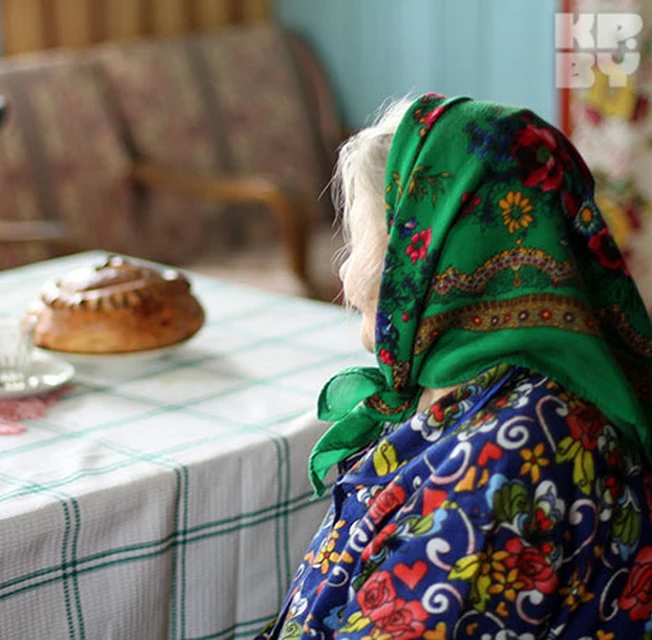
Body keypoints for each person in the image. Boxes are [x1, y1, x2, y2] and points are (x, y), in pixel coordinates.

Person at [257, 94, 652, 639]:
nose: (347, 274)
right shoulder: (462, 393)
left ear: (430, 257)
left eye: (364, 241)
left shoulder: (516, 448)